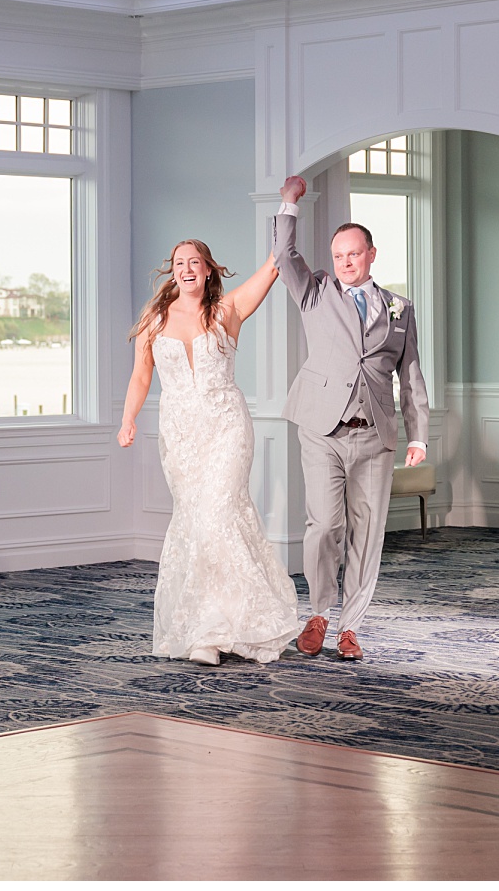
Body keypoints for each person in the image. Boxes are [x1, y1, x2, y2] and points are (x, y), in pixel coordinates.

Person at [119, 238, 303, 665]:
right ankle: (206, 629)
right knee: (196, 523)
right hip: (181, 435)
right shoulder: (155, 319)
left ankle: (245, 623)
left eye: (194, 262)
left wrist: (288, 202)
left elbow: (274, 266)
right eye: (179, 263)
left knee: (219, 513)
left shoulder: (227, 311)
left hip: (226, 426)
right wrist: (127, 420)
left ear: (207, 270)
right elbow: (140, 377)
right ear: (174, 271)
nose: (186, 269)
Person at [272, 175, 429, 661]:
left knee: (368, 531)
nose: (344, 262)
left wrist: (418, 435)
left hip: (376, 436)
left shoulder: (400, 309)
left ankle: (351, 626)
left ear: (371, 254)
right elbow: (283, 255)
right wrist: (289, 203)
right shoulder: (315, 292)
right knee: (324, 525)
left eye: (353, 255)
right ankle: (318, 614)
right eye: (338, 255)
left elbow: (411, 375)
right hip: (321, 429)